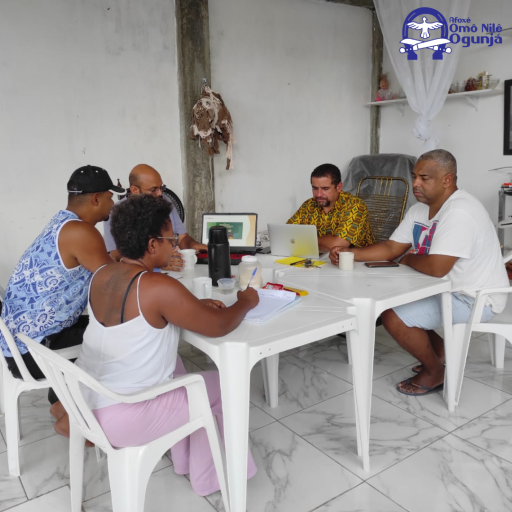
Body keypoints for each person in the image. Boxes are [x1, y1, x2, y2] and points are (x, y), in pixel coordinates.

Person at [75, 194, 259, 496]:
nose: (175, 245)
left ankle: (184, 460)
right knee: (226, 386)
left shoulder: (102, 273)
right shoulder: (159, 286)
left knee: (176, 365)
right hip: (121, 418)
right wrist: (245, 302)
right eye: (171, 240)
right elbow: (220, 326)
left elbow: (137, 313)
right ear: (151, 245)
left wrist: (189, 304)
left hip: (86, 401)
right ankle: (209, 479)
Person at [329, 149, 509, 396]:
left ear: (447, 180)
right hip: (446, 288)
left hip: (476, 297)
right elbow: (392, 247)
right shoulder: (419, 210)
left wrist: (410, 258)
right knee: (385, 301)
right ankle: (442, 352)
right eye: (414, 176)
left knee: (393, 316)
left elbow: (436, 268)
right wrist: (347, 253)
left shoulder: (460, 211)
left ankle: (435, 372)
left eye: (424, 178)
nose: (415, 183)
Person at [0, 165, 123, 427]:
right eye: (111, 196)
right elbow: (116, 282)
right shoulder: (82, 232)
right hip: (36, 352)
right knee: (122, 335)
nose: (113, 202)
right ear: (96, 198)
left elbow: (100, 264)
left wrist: (120, 258)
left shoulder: (62, 224)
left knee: (101, 327)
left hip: (20, 345)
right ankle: (79, 413)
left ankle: (62, 400)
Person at [103, 164, 206, 271]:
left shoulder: (165, 201)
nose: (160, 193)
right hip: (138, 273)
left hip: (174, 271)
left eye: (161, 187)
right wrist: (158, 261)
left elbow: (182, 238)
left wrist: (193, 245)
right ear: (134, 190)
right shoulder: (116, 213)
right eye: (154, 190)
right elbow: (115, 255)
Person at [287, 163, 375, 252]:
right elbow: (286, 234)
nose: (318, 194)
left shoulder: (355, 205)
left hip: (355, 262)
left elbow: (337, 245)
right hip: (318, 259)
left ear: (339, 187)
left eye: (325, 189)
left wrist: (299, 240)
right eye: (315, 188)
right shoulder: (309, 205)